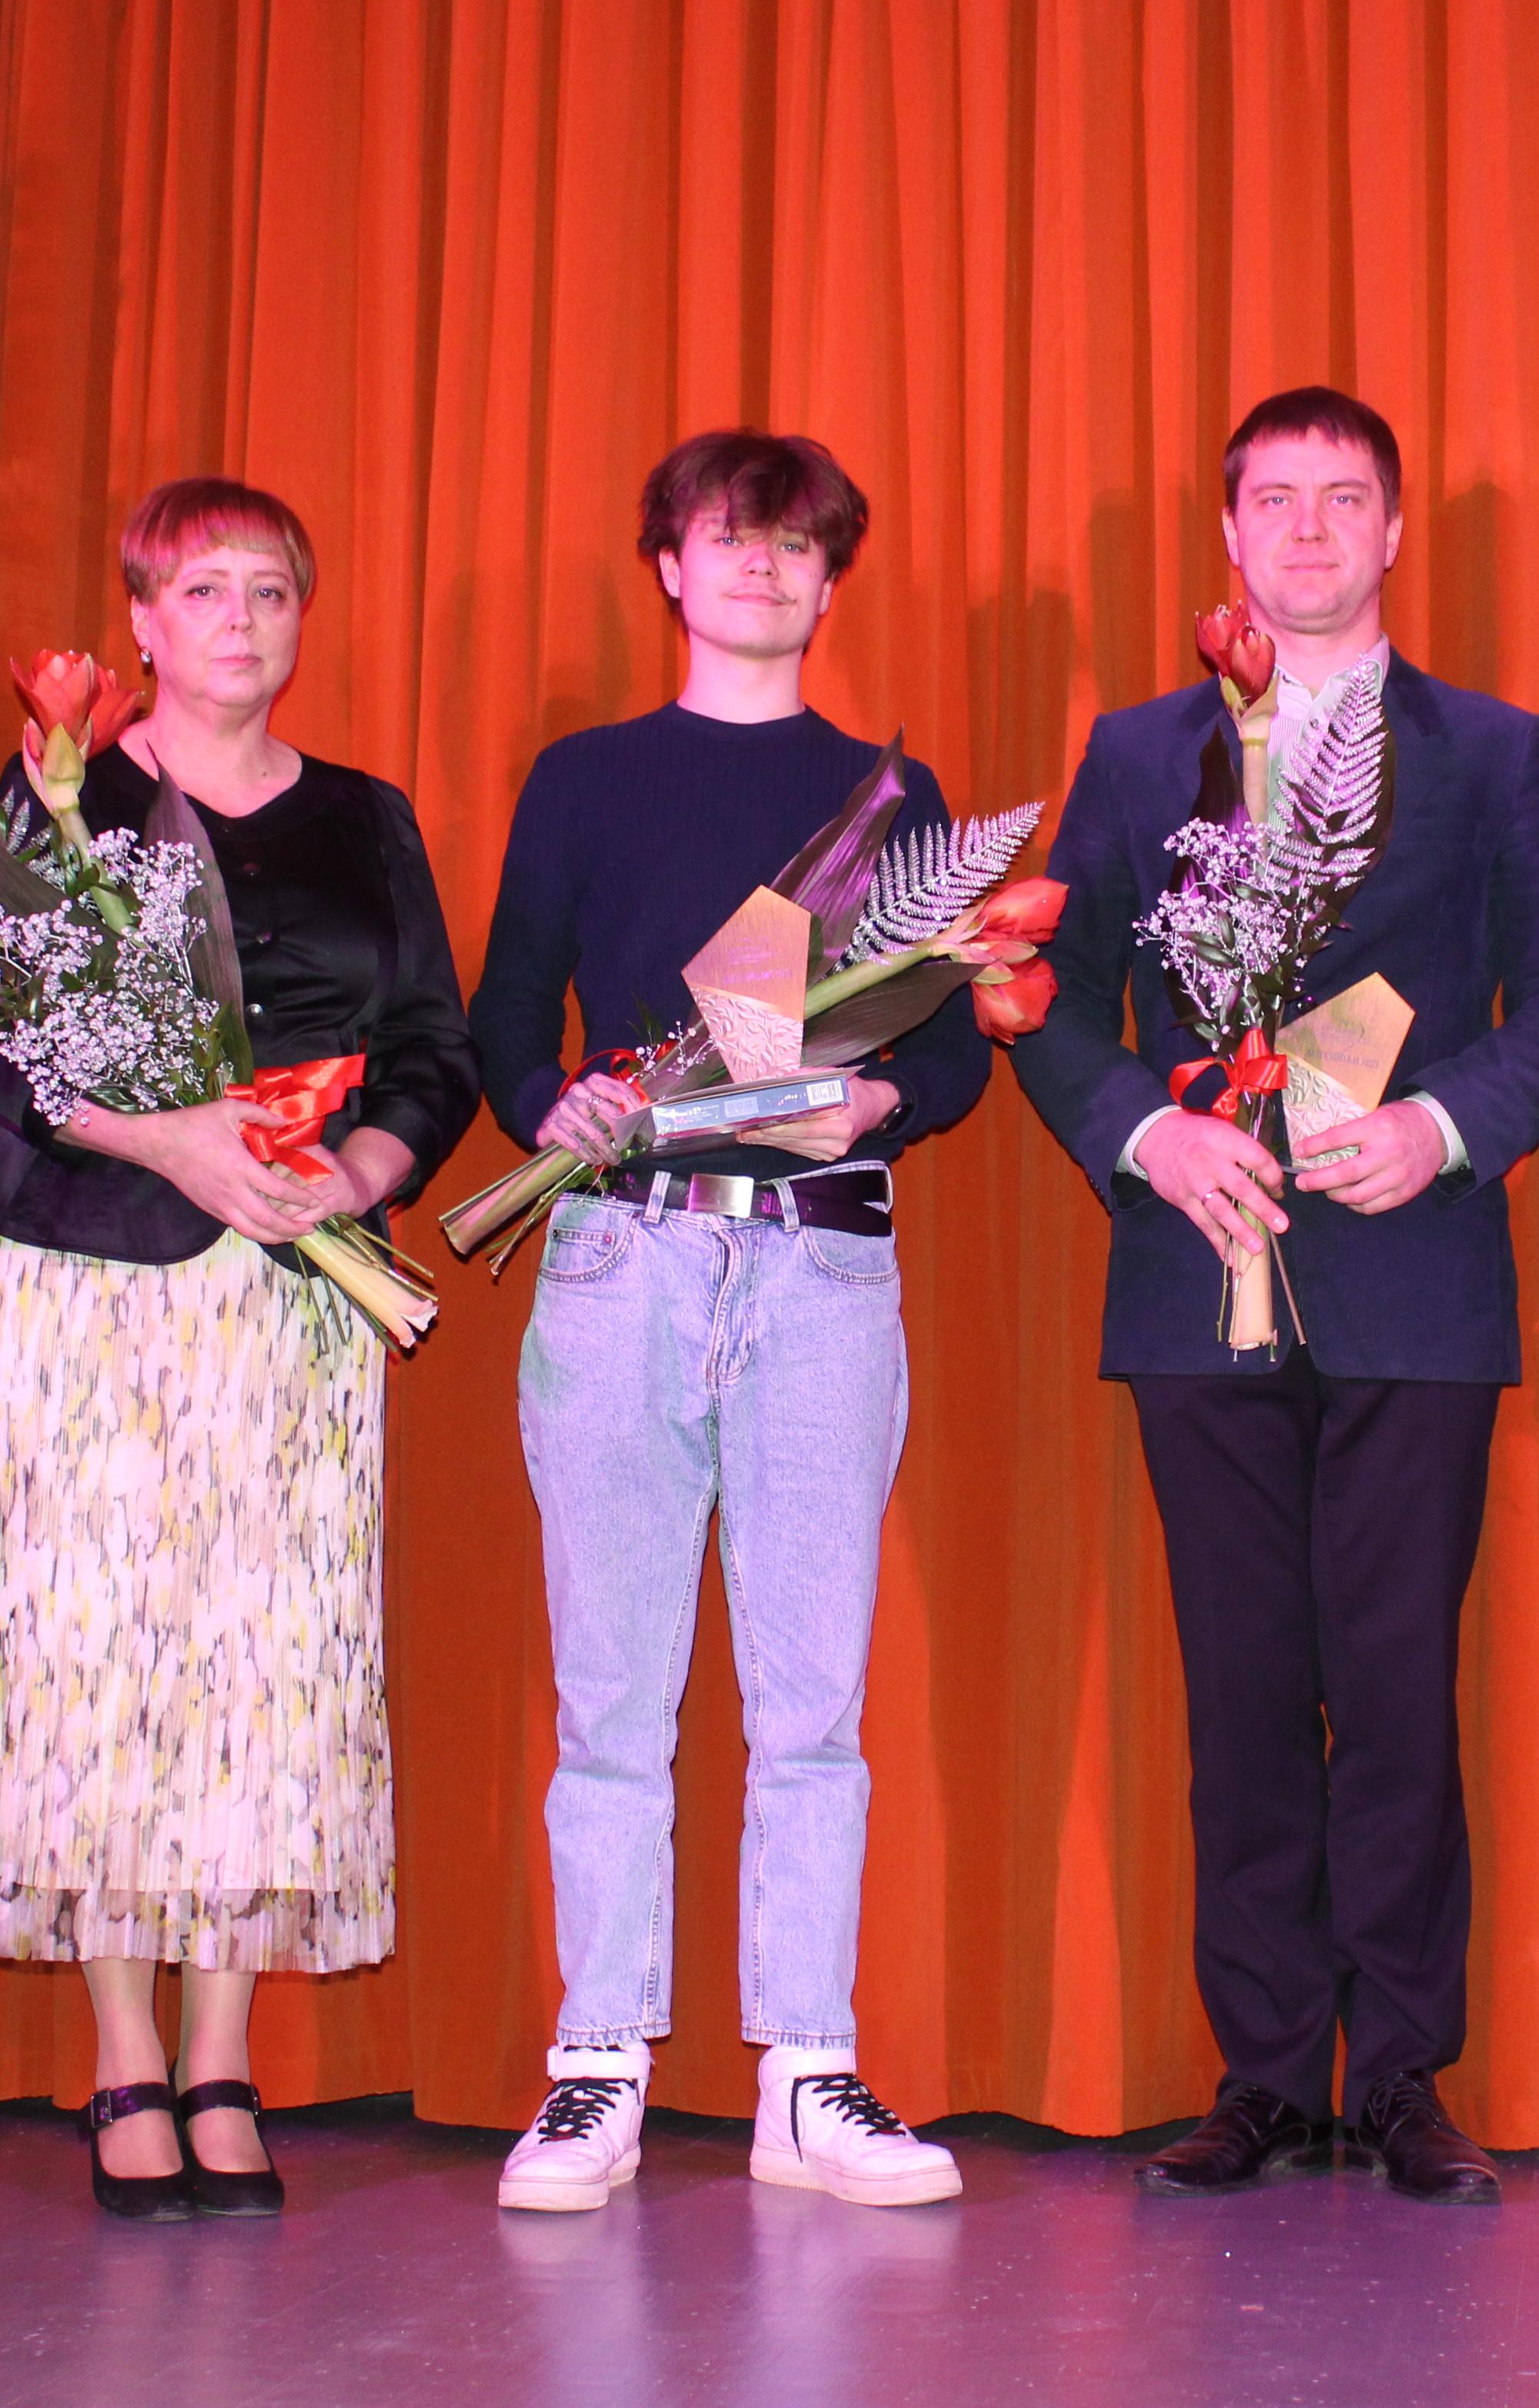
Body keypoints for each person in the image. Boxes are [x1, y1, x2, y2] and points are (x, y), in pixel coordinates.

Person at [1012, 386, 1539, 2203]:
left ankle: (1407, 2076)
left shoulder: (1490, 751)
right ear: (1227, 535)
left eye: (1342, 498)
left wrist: (1446, 1125)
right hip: (1197, 1274)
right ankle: (1270, 2073)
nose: (1305, 529)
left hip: (1412, 1285)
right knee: (1245, 1699)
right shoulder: (1139, 753)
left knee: (1401, 1697)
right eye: (1272, 499)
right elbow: (1049, 1002)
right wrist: (1149, 1139)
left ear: (1395, 531)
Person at [0, 477, 480, 2222]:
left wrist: (355, 1175)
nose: (243, 619)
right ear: (141, 626)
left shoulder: (366, 819)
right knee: (96, 1666)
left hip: (291, 1291)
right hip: (87, 1276)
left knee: (258, 1667)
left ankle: (223, 2057)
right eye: (206, 589)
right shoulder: (46, 803)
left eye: (272, 590)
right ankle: (122, 2061)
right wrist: (170, 1142)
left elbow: (435, 1051)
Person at [469, 429, 993, 2213]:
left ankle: (805, 2071)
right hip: (624, 1259)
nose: (762, 567)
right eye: (728, 537)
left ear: (831, 581)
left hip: (821, 1265)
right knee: (613, 1695)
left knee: (814, 1702)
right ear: (669, 567)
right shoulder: (585, 777)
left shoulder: (887, 799)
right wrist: (548, 1103)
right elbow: (504, 1017)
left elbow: (943, 1053)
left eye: (796, 545)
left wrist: (879, 1106)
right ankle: (596, 2067)